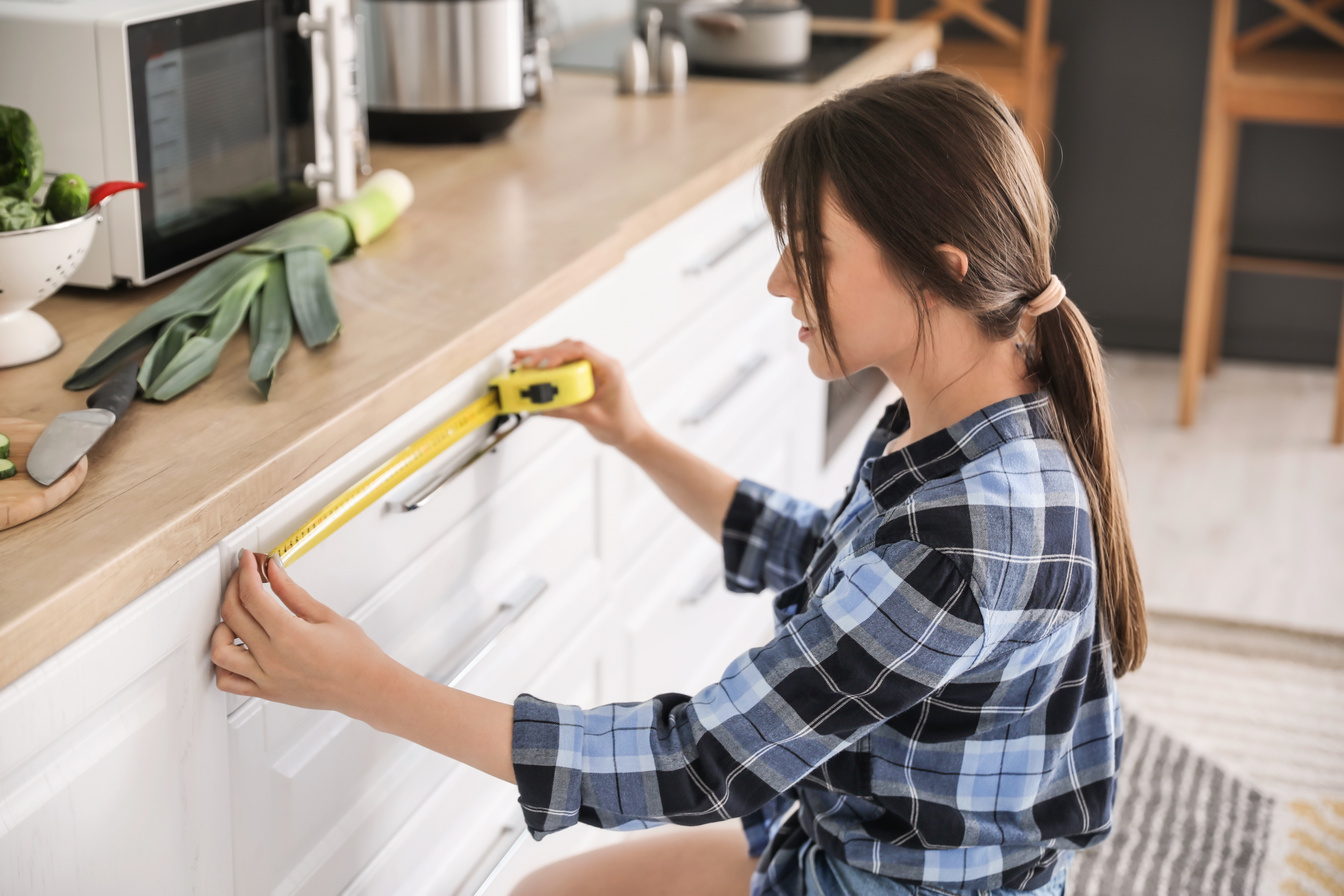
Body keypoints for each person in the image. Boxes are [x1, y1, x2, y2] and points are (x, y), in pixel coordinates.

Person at [211, 68, 1146, 896]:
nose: (781, 282)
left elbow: (694, 764)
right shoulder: (971, 421)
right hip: (858, 845)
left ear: (939, 272)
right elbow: (822, 561)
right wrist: (637, 436)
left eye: (811, 252)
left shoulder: (964, 537)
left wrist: (362, 685)